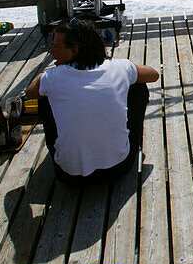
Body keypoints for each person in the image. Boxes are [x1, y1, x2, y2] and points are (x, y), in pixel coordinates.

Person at [25, 19, 160, 186]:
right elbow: (153, 75)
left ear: (75, 50)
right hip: (119, 167)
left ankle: (72, 148)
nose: (51, 51)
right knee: (138, 87)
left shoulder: (53, 77)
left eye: (56, 47)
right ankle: (124, 144)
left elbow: (30, 92)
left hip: (68, 176)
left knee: (43, 96)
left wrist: (52, 73)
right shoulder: (119, 67)